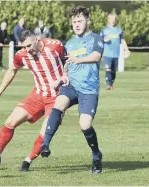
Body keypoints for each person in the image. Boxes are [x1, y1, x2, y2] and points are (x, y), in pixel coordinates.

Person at [0, 30, 66, 172]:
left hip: (57, 98)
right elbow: (12, 69)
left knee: (45, 131)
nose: (27, 49)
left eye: (30, 45)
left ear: (37, 39)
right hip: (37, 95)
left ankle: (27, 162)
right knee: (10, 122)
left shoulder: (54, 46)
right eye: (24, 47)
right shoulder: (22, 55)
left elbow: (68, 60)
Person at [40, 6, 104, 174]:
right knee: (59, 104)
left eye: (80, 21)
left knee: (85, 124)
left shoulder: (97, 39)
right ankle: (45, 144)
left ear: (88, 21)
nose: (76, 24)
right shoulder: (69, 43)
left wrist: (78, 59)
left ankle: (96, 155)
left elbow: (96, 57)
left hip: (89, 89)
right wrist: (61, 77)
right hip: (71, 86)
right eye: (74, 21)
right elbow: (67, 65)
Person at [100, 13, 130, 90]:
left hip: (116, 54)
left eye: (114, 19)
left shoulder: (118, 30)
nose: (113, 20)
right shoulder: (104, 30)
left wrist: (126, 49)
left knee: (113, 71)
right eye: (111, 19)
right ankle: (108, 85)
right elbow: (99, 40)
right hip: (107, 53)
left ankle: (111, 84)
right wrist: (104, 40)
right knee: (108, 69)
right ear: (108, 20)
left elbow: (122, 40)